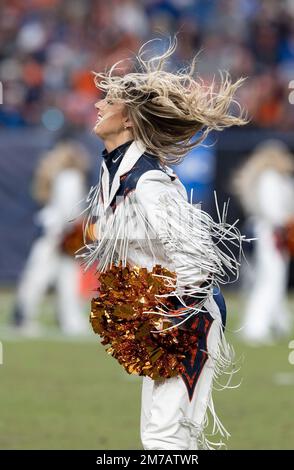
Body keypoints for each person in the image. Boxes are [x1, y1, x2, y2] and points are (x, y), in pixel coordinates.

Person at [78, 38, 248, 450]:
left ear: (131, 120)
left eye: (111, 102)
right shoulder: (114, 171)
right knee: (169, 436)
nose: (99, 105)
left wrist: (169, 313)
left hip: (187, 319)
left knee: (165, 437)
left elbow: (196, 254)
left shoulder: (148, 181)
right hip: (167, 314)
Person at [12, 140, 90, 336]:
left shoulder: (59, 175)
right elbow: (68, 210)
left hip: (55, 230)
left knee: (56, 275)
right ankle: (26, 316)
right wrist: (69, 233)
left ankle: (60, 318)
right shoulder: (70, 177)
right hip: (59, 232)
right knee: (47, 275)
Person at [234, 140, 294, 345]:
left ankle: (276, 322)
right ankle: (255, 327)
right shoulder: (270, 178)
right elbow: (273, 211)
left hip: (272, 232)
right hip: (271, 232)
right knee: (268, 280)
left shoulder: (272, 177)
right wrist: (287, 223)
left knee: (274, 279)